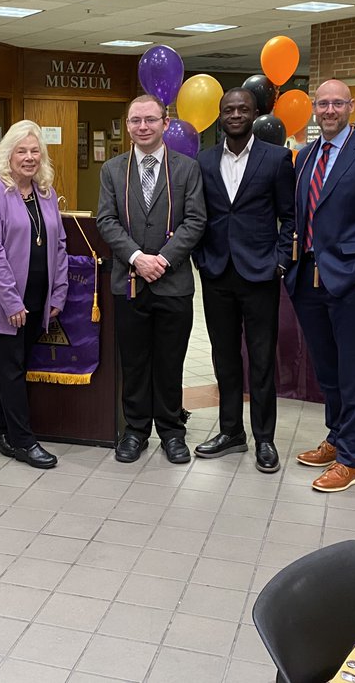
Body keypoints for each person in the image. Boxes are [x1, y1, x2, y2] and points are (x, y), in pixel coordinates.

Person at [285, 79, 355, 492]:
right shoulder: (304, 156)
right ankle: (336, 438)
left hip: (350, 280)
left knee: (353, 371)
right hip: (307, 278)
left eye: (337, 103)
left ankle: (351, 458)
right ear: (314, 108)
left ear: (351, 106)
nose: (329, 110)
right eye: (323, 104)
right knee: (327, 368)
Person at [97, 94, 207, 464]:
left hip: (173, 283)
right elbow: (106, 220)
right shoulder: (112, 170)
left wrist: (162, 259)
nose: (143, 127)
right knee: (134, 362)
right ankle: (136, 430)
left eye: (150, 120)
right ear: (128, 126)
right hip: (129, 282)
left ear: (165, 123)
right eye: (135, 120)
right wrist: (137, 258)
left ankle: (172, 432)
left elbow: (196, 220)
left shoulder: (187, 169)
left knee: (170, 363)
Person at [193, 88, 295, 472]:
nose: (235, 115)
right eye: (228, 110)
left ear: (255, 114)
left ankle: (264, 438)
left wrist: (280, 261)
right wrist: (201, 258)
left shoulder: (276, 159)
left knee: (262, 359)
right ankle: (231, 431)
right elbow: (197, 214)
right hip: (217, 272)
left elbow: (291, 216)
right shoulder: (203, 161)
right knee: (224, 357)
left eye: (243, 109)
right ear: (219, 116)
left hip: (260, 274)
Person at [0, 121, 68, 469]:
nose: (29, 157)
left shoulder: (45, 192)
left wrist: (58, 294)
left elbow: (59, 244)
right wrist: (11, 300)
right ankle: (23, 442)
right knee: (11, 368)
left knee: (14, 367)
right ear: (8, 154)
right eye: (22, 151)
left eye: (35, 151)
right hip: (4, 300)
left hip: (38, 297)